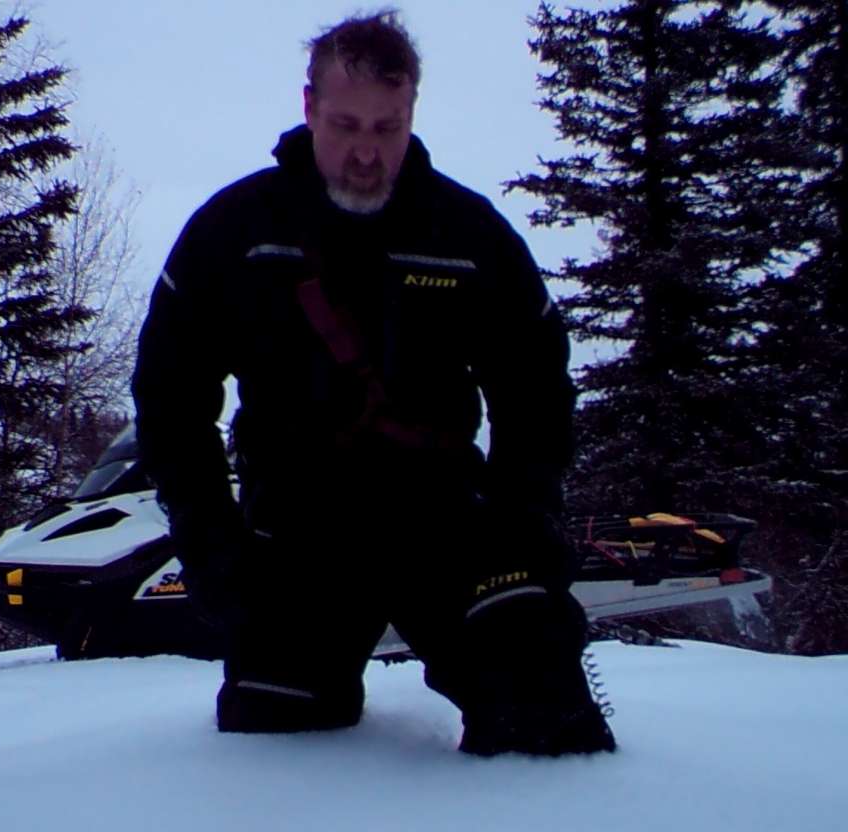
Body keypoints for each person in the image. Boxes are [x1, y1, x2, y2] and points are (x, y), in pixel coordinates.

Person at [130, 10, 615, 757]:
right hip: (295, 535)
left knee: (545, 725)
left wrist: (526, 516)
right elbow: (170, 395)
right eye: (347, 125)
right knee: (274, 739)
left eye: (388, 128)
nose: (366, 150)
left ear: (412, 112)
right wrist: (210, 540)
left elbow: (536, 388)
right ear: (309, 107)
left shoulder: (468, 234)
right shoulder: (235, 231)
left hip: (446, 520)